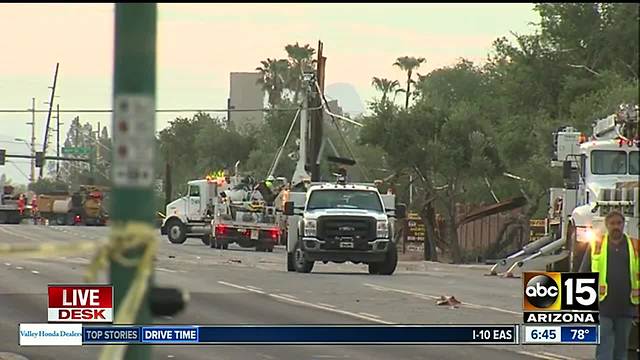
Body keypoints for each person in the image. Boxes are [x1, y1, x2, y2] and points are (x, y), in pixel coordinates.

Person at [580, 210, 639, 360]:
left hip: (626, 306)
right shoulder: (596, 245)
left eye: (619, 223)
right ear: (606, 225)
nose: (616, 227)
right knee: (604, 347)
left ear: (623, 224)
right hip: (603, 305)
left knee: (622, 348)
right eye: (612, 223)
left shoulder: (634, 246)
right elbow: (583, 273)